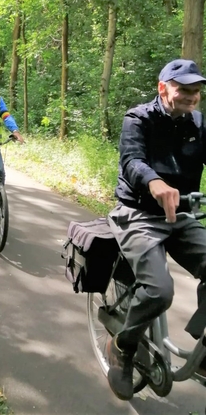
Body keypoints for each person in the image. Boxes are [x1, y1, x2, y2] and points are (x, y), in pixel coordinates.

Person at [106, 58, 206, 402]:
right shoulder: (138, 118)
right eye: (184, 89)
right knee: (160, 291)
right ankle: (123, 345)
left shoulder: (198, 122)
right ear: (163, 88)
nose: (192, 96)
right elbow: (132, 160)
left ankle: (202, 348)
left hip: (181, 215)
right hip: (138, 213)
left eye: (196, 90)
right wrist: (154, 182)